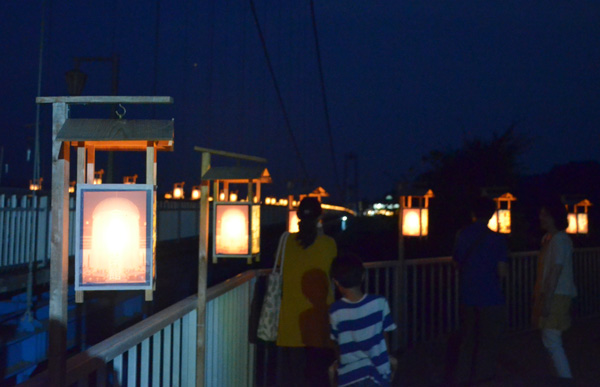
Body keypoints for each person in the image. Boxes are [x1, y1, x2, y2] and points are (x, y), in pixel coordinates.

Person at [276, 197, 338, 386]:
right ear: (320, 217)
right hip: (320, 324)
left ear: (297, 216)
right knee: (319, 378)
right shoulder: (328, 244)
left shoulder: (286, 242)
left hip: (290, 325)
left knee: (294, 379)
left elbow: (279, 268)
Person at [450, 197, 508, 385]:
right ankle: (483, 376)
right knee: (488, 340)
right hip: (491, 296)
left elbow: (456, 262)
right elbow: (502, 271)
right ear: (492, 214)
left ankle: (462, 375)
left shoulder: (462, 235)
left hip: (467, 295)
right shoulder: (498, 238)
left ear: (473, 214)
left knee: (468, 338)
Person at [329, 254, 397, 387]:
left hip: (349, 376)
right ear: (363, 276)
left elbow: (336, 343)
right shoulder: (380, 303)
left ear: (336, 281)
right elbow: (385, 337)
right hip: (377, 373)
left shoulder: (336, 310)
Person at [532, 200, 577, 379]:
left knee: (552, 339)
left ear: (553, 218)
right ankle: (560, 377)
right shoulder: (552, 239)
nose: (541, 218)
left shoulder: (559, 240)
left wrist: (547, 301)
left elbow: (555, 272)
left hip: (557, 295)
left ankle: (565, 378)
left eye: (545, 214)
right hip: (555, 294)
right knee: (550, 338)